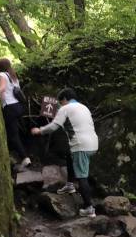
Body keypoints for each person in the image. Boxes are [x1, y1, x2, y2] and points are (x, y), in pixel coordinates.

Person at [31, 87, 98, 218]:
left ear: (65, 99)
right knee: (69, 154)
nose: (59, 104)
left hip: (81, 145)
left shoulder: (65, 108)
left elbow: (54, 126)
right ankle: (69, 185)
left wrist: (40, 130)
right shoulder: (84, 107)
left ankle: (89, 208)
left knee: (82, 176)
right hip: (92, 143)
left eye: (60, 102)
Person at [0, 58, 31, 168]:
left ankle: (25, 158)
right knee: (15, 132)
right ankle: (24, 156)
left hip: (10, 108)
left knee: (12, 135)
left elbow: (2, 89)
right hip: (19, 107)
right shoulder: (13, 75)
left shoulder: (1, 75)